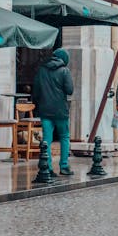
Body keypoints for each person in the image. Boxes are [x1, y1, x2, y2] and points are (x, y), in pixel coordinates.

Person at [32, 48, 74, 176]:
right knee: (64, 137)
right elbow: (69, 90)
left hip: (45, 110)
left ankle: (48, 167)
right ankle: (64, 166)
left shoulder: (42, 70)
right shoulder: (65, 71)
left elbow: (36, 91)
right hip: (61, 110)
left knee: (46, 139)